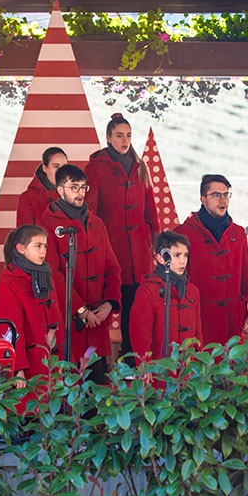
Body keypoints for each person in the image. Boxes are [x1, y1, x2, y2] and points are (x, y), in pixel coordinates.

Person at [40, 164, 122, 384]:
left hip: (98, 321)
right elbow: (53, 275)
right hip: (71, 324)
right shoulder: (48, 226)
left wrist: (109, 304)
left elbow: (112, 268)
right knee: (74, 394)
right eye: (74, 187)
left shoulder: (97, 224)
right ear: (60, 190)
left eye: (83, 187)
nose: (80, 192)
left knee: (99, 391)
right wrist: (81, 310)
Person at [85, 113, 158, 356]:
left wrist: (155, 243)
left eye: (128, 135)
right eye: (119, 135)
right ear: (108, 137)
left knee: (137, 309)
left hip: (139, 252)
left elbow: (151, 209)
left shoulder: (140, 166)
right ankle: (101, 363)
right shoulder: (95, 168)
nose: (124, 140)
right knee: (108, 303)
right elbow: (91, 211)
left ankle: (134, 360)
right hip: (111, 249)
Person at [174, 174, 248, 346]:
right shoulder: (182, 234)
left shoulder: (238, 234)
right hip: (199, 320)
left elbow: (246, 278)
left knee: (231, 369)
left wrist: (247, 313)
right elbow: (177, 282)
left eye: (226, 194)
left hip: (232, 320)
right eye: (216, 195)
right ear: (203, 199)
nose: (223, 200)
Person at [0, 225, 63, 411]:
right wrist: (17, 369)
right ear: (21, 248)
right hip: (29, 365)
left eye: (45, 246)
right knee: (30, 414)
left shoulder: (44, 275)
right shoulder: (8, 282)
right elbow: (10, 329)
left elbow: (56, 315)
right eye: (38, 246)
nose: (43, 252)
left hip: (51, 359)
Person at [130, 230, 203, 363]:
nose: (183, 261)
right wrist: (145, 366)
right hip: (160, 367)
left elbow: (198, 333)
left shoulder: (193, 291)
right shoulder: (147, 290)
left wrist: (199, 360)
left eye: (185, 255)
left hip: (188, 367)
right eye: (177, 255)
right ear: (160, 258)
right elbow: (140, 335)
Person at [17, 147, 68, 226]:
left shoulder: (73, 194)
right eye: (56, 166)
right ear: (45, 168)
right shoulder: (28, 198)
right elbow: (25, 236)